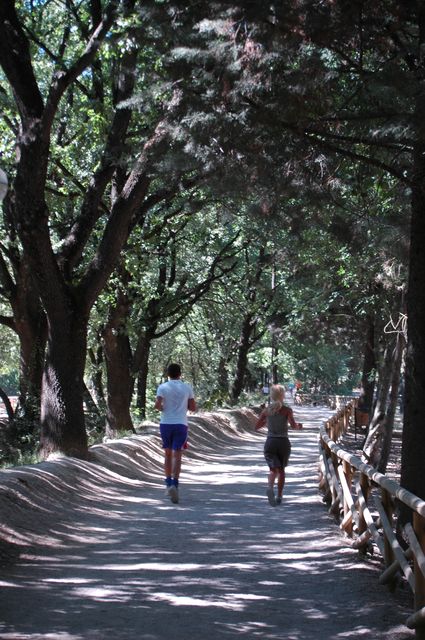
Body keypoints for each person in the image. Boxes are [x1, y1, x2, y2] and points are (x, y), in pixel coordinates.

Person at [154, 363, 196, 504]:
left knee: (167, 453)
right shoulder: (186, 387)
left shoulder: (163, 387)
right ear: (180, 374)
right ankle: (175, 485)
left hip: (165, 424)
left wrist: (164, 409)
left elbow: (157, 406)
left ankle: (168, 483)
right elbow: (193, 407)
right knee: (177, 454)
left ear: (168, 374)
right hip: (181, 424)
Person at [255, 384, 302, 506]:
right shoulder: (287, 410)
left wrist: (266, 421)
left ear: (271, 395)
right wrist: (299, 427)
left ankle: (270, 487)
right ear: (282, 395)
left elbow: (256, 427)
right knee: (281, 471)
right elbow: (293, 426)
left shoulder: (266, 411)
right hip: (283, 443)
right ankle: (280, 496)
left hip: (270, 442)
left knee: (273, 469)